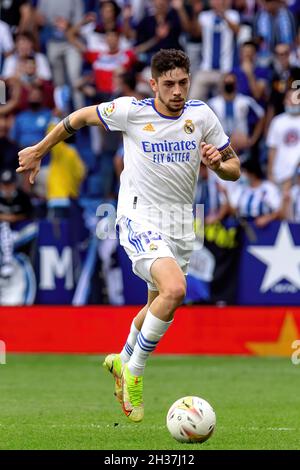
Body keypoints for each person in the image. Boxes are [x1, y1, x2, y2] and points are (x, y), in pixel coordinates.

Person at [17, 48, 240, 423]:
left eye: (183, 82)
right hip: (138, 217)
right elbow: (78, 117)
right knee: (175, 290)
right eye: (168, 84)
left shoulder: (201, 115)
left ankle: (122, 359)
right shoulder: (132, 112)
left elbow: (233, 165)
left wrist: (219, 165)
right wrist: (41, 148)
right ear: (153, 84)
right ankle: (135, 370)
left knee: (159, 303)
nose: (177, 91)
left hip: (180, 224)